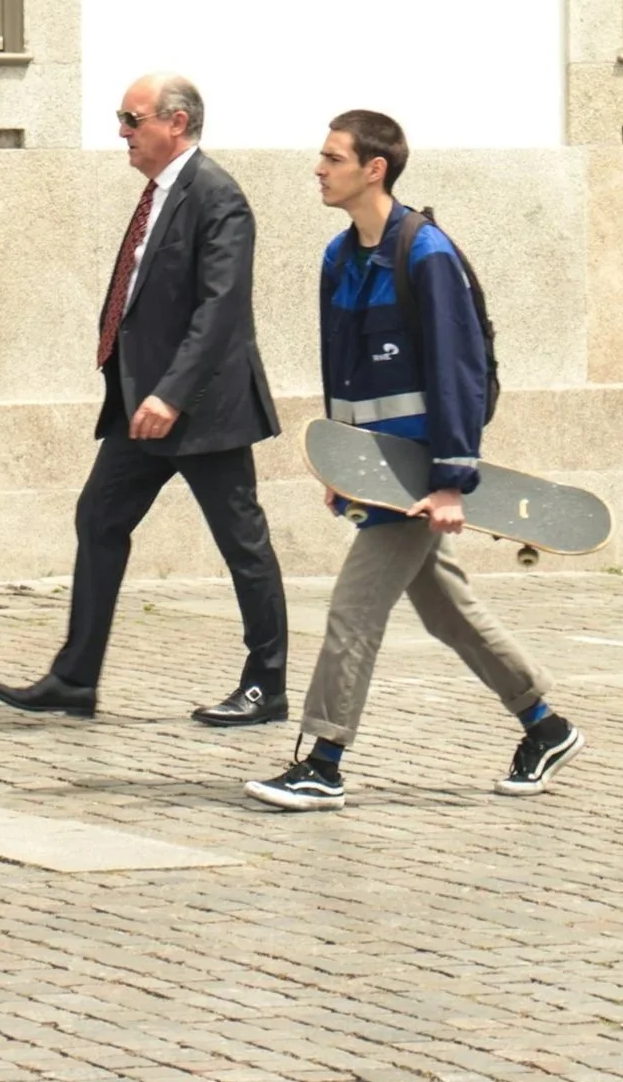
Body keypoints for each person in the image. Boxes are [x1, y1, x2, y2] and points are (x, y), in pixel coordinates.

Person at [246, 110, 583, 811]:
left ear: (375, 168)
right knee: (445, 608)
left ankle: (323, 759)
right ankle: (543, 724)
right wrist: (343, 471)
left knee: (353, 610)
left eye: (333, 157)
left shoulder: (427, 254)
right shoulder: (339, 259)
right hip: (378, 472)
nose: (318, 166)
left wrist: (452, 482)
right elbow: (340, 372)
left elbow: (456, 371)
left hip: (421, 474)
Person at [0, 74, 289, 726]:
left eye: (132, 118)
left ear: (176, 123)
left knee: (242, 542)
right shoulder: (159, 195)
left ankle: (267, 682)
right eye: (121, 118)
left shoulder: (217, 196)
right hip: (141, 406)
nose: (122, 131)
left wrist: (173, 393)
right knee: (99, 517)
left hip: (201, 409)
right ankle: (75, 677)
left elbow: (221, 309)